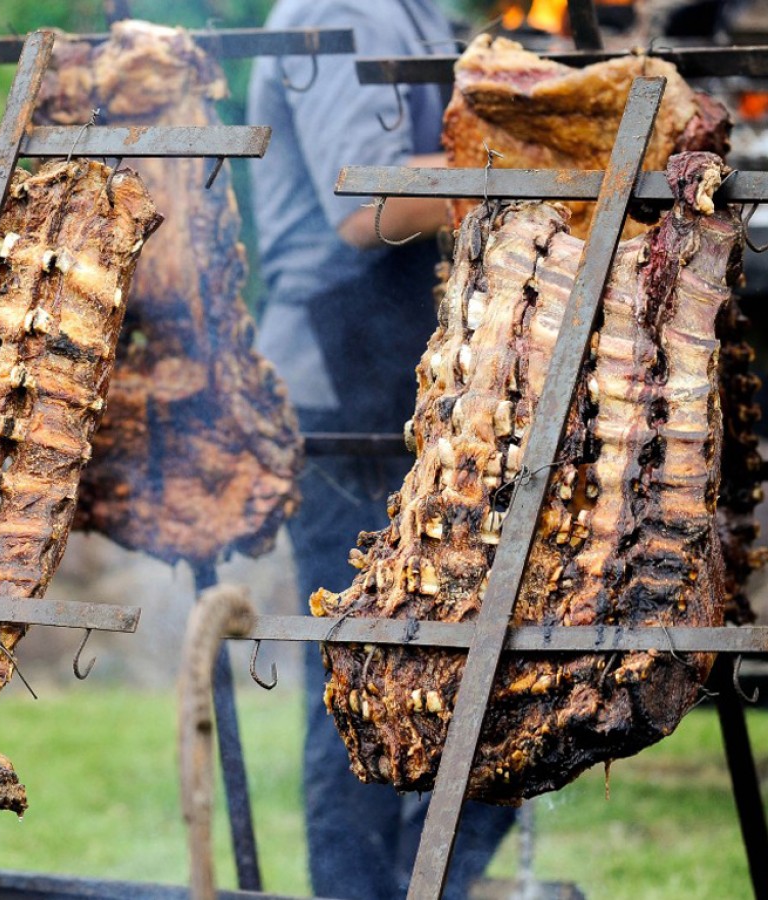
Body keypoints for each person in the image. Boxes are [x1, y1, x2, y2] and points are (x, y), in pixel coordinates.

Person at [247, 1, 516, 898]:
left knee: (495, 681)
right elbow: (365, 204)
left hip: (416, 378)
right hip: (341, 379)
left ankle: (426, 886)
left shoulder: (418, 10)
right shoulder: (339, 8)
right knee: (363, 688)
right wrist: (552, 165)